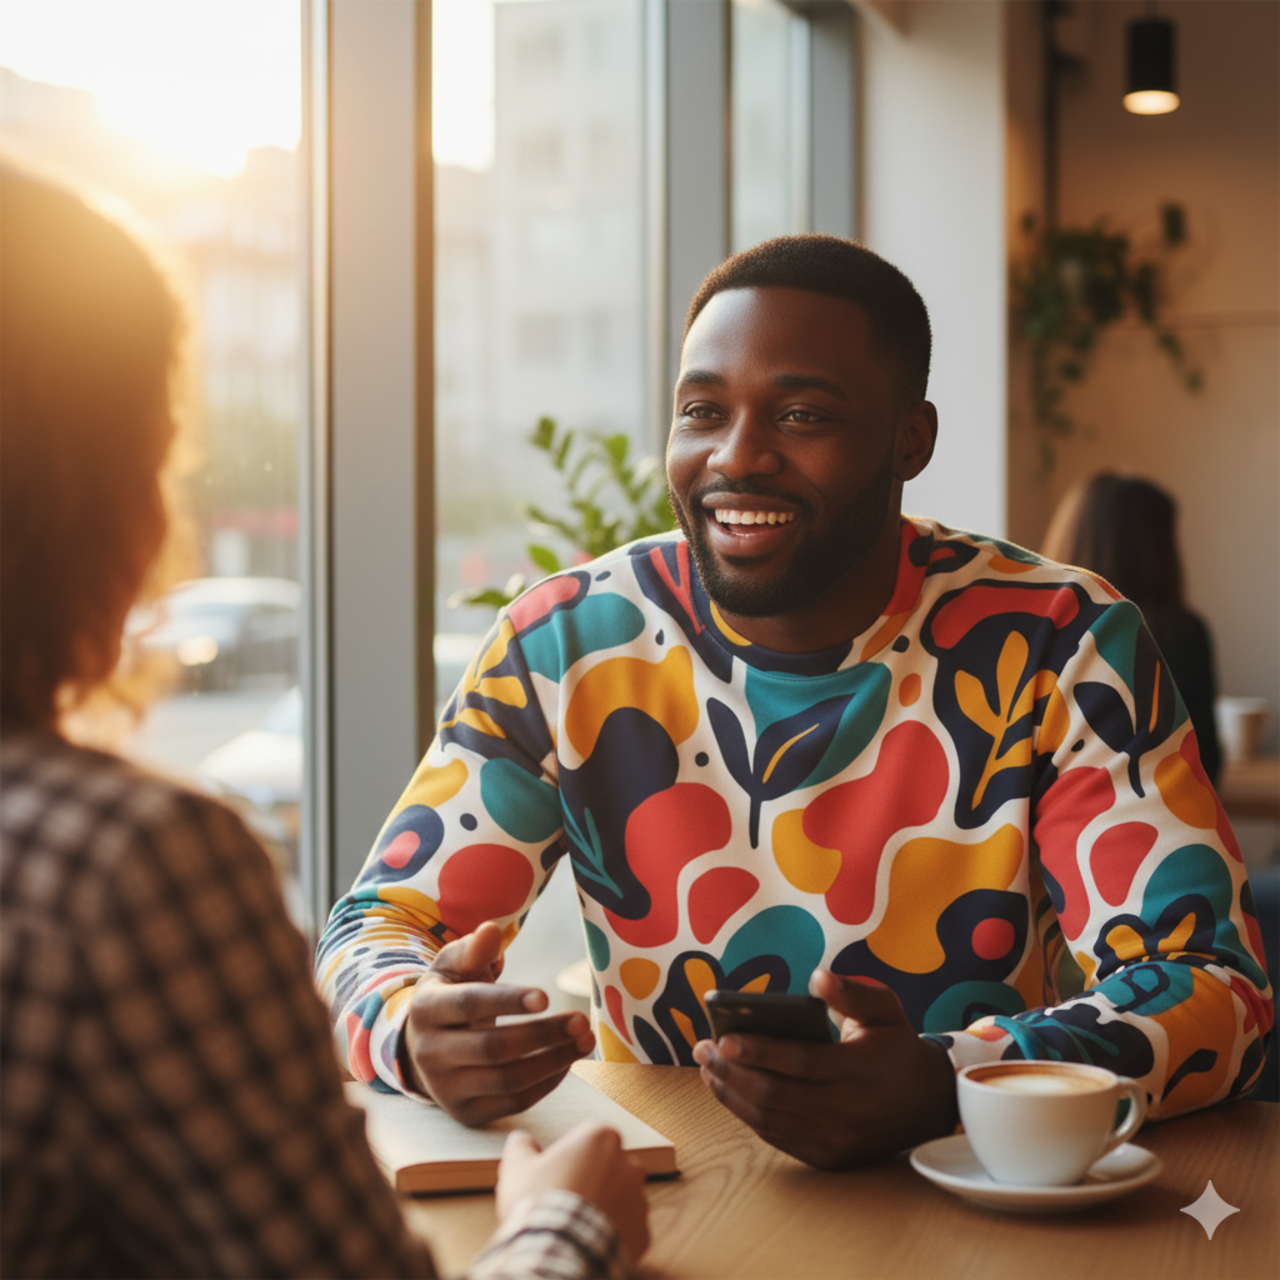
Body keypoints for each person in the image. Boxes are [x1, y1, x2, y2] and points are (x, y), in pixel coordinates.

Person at [317, 234, 1272, 1171]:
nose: (738, 457)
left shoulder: (1059, 638)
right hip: (667, 1197)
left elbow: (1216, 988)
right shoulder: (566, 641)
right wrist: (409, 1026)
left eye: (803, 415)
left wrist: (956, 1080)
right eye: (701, 410)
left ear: (911, 439)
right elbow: (375, 926)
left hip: (970, 1201)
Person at [0, 162, 649, 1279]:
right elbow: (372, 928)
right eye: (164, 454)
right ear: (91, 488)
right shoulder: (121, 865)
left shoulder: (1047, 629)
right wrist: (563, 1219)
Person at [1040, 472, 1224, 785]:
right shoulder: (1184, 635)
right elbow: (1206, 764)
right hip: (1159, 826)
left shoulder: (1039, 634)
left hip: (1049, 828)